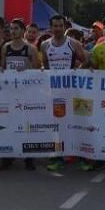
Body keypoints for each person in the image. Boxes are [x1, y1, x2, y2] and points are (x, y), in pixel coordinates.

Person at [42, 15, 87, 172]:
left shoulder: (73, 44)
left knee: (77, 124)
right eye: (55, 26)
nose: (58, 28)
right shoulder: (45, 45)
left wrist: (77, 71)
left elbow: (87, 60)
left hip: (73, 93)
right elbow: (46, 66)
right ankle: (58, 158)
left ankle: (82, 157)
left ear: (64, 26)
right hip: (56, 94)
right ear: (51, 28)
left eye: (60, 25)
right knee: (58, 127)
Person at [0, 18, 39, 171]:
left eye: (16, 28)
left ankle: (29, 158)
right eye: (11, 28)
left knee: (27, 125)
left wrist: (27, 72)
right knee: (10, 125)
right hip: (10, 93)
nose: (13, 31)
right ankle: (8, 156)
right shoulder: (6, 47)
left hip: (26, 93)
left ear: (23, 31)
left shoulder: (30, 49)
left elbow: (37, 71)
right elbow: (2, 68)